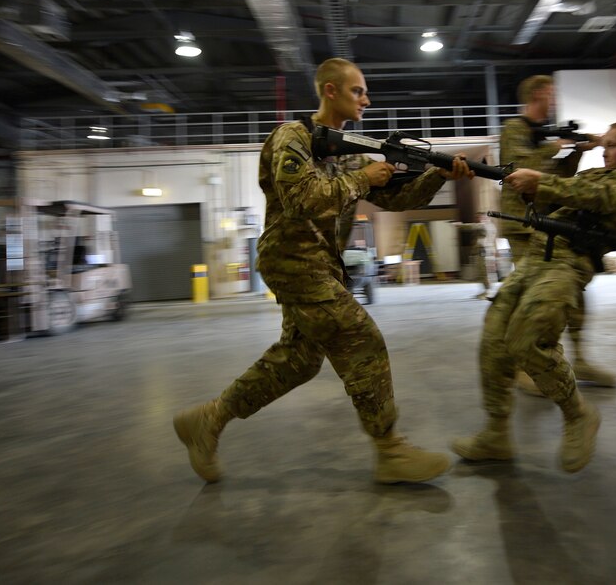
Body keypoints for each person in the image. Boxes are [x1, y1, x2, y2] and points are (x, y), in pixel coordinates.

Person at [173, 57, 474, 485]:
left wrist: (441, 176)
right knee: (361, 338)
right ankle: (389, 450)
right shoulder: (291, 137)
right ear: (330, 90)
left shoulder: (347, 150)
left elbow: (395, 200)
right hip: (293, 263)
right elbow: (303, 200)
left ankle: (208, 420)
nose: (366, 100)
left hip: (322, 269)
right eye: (358, 91)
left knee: (299, 359)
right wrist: (365, 179)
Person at [453, 121, 616, 472]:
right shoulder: (597, 172)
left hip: (568, 262)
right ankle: (496, 434)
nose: (605, 150)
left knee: (527, 338)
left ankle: (578, 415)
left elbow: (600, 197)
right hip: (538, 255)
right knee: (494, 339)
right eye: (605, 144)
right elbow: (563, 189)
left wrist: (543, 183)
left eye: (612, 145)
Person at [498, 75, 615, 389]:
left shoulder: (547, 135)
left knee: (571, 289)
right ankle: (524, 368)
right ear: (539, 94)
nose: (554, 99)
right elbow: (518, 166)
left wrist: (578, 150)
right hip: (522, 223)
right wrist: (558, 146)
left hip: (553, 221)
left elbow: (560, 177)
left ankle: (582, 359)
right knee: (529, 294)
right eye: (551, 93)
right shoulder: (515, 129)